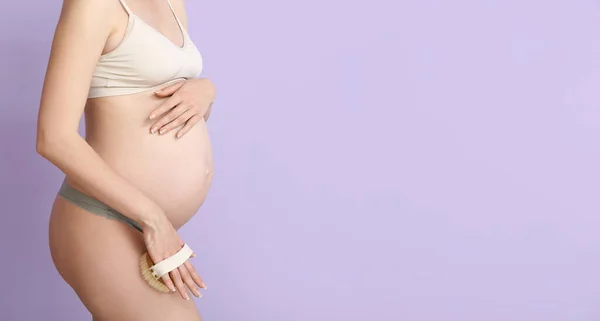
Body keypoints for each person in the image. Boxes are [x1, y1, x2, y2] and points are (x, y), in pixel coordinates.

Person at [35, 0, 216, 319]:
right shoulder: (93, 5)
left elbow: (173, 109)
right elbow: (54, 138)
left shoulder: (172, 2)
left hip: (146, 222)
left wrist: (205, 92)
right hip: (105, 217)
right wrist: (154, 218)